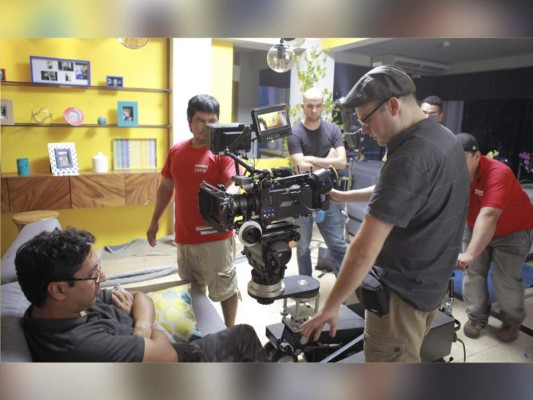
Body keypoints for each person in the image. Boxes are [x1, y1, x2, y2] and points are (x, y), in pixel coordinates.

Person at [300, 65, 470, 362]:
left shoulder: (409, 157)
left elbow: (363, 250)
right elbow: (394, 192)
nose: (364, 131)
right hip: (432, 286)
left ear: (392, 105)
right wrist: (344, 196)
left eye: (366, 120)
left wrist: (331, 305)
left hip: (402, 298)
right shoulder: (444, 138)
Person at [15, 228, 266, 362]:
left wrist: (141, 327)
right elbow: (167, 355)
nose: (103, 278)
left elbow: (140, 297)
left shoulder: (63, 305)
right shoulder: (81, 344)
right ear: (58, 289)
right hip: (179, 364)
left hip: (153, 345)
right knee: (243, 335)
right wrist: (147, 324)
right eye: (93, 275)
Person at [146, 94, 239, 327]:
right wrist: (155, 220)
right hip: (185, 237)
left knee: (225, 290)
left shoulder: (223, 154)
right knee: (192, 291)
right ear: (189, 121)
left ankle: (230, 331)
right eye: (200, 120)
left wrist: (230, 192)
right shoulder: (176, 151)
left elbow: (234, 182)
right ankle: (202, 331)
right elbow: (166, 187)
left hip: (216, 238)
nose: (206, 126)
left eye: (212, 121)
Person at [456, 133, 533, 342]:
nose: (456, 165)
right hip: (473, 225)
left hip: (513, 231)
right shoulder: (451, 172)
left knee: (505, 279)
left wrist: (470, 253)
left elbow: (489, 215)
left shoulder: (499, 173)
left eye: (462, 158)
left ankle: (512, 320)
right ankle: (476, 318)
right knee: (473, 273)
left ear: (477, 156)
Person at [287, 87, 348, 277]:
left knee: (338, 246)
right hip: (303, 199)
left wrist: (312, 159)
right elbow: (300, 166)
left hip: (329, 196)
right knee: (303, 247)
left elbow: (342, 162)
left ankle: (343, 289)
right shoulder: (294, 132)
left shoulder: (333, 130)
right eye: (310, 106)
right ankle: (306, 287)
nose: (314, 110)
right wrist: (329, 161)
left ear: (323, 106)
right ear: (303, 106)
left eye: (318, 105)